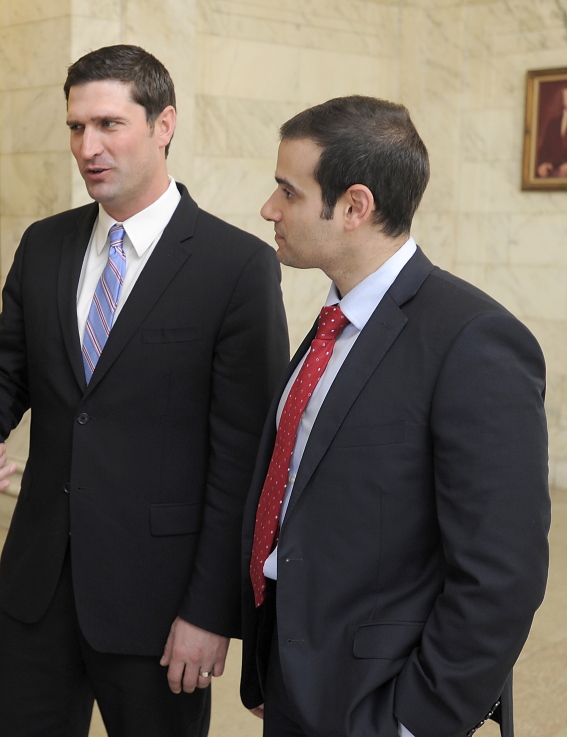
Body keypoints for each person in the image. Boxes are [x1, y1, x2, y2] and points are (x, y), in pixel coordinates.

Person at [0, 44, 289, 737]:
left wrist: (208, 611)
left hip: (159, 603)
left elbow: (242, 460)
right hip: (37, 590)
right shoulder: (43, 245)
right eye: (76, 127)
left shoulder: (235, 267)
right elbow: (2, 368)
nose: (87, 147)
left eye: (109, 124)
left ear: (163, 124)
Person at [239, 95, 550, 736]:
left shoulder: (474, 339)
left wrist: (415, 722)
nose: (269, 209)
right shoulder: (332, 324)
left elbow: (501, 576)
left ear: (355, 206)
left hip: (379, 702)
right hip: (299, 676)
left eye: (287, 192)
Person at [536, 85, 567, 178]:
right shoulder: (553, 123)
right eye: (565, 96)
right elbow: (544, 148)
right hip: (554, 174)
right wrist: (543, 164)